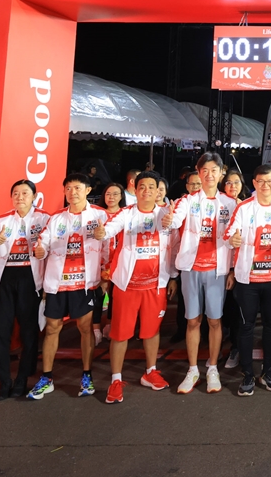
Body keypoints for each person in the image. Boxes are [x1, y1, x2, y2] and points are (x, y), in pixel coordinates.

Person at [27, 173, 108, 400]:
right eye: (69, 188)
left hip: (85, 283)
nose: (73, 193)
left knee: (85, 328)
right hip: (58, 282)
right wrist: (40, 250)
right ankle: (47, 378)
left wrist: (105, 275)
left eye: (78, 188)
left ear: (88, 190)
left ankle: (86, 375)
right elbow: (42, 242)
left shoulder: (100, 215)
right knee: (52, 328)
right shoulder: (56, 218)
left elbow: (108, 246)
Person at [102, 171, 179, 403]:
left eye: (151, 187)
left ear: (158, 191)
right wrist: (101, 232)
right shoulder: (126, 214)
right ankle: (116, 379)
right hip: (127, 286)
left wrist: (172, 277)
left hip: (155, 286)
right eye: (142, 187)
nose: (146, 191)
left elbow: (174, 246)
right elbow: (109, 229)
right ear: (135, 190)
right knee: (120, 334)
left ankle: (150, 372)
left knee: (151, 331)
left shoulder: (167, 215)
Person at [170, 152, 237, 394]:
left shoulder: (230, 204)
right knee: (192, 320)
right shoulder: (187, 201)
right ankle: (192, 370)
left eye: (213, 170)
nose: (209, 175)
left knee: (215, 321)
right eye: (204, 170)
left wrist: (232, 269)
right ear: (199, 173)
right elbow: (174, 221)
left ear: (221, 174)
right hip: (191, 269)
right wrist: (169, 219)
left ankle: (212, 368)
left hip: (217, 270)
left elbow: (236, 238)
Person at [226, 164, 271, 396]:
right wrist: (233, 240)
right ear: (254, 183)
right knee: (246, 326)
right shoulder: (244, 207)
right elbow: (229, 233)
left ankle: (268, 371)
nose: (266, 185)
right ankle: (247, 374)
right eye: (261, 181)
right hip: (248, 279)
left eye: (270, 181)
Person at [0, 179, 48, 400]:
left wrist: (44, 252)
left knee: (29, 331)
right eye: (16, 193)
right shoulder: (3, 219)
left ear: (34, 196)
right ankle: (3, 381)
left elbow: (52, 247)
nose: (20, 197)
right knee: (1, 331)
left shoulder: (44, 219)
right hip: (4, 278)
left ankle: (22, 379)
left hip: (31, 278)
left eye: (25, 193)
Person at [92, 182, 128, 345]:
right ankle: (96, 330)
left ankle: (110, 326)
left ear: (121, 197)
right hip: (98, 262)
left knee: (115, 296)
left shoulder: (126, 215)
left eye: (115, 194)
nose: (111, 197)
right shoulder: (97, 215)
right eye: (108, 194)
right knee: (98, 295)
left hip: (120, 263)